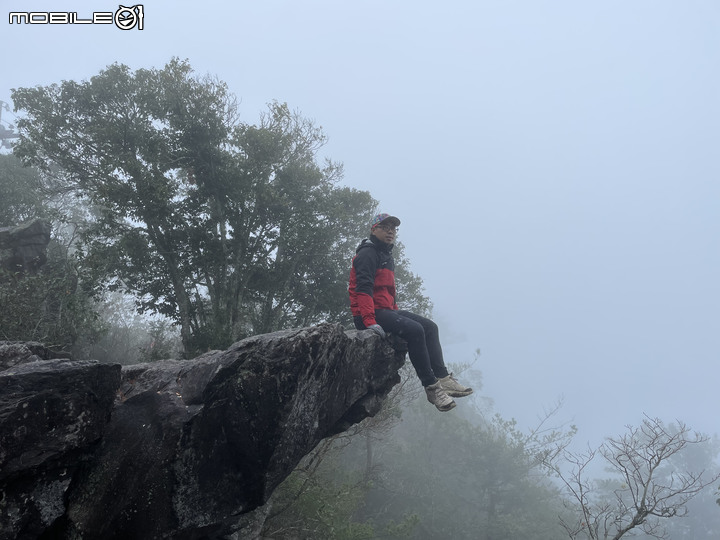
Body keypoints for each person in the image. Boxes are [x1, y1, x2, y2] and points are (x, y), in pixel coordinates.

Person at [348, 213, 473, 412]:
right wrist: (369, 320)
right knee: (415, 330)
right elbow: (362, 290)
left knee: (430, 327)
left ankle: (443, 378)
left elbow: (389, 290)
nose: (390, 231)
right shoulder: (367, 254)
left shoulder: (386, 255)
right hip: (368, 313)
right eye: (385, 227)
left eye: (393, 228)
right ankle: (432, 388)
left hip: (385, 310)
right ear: (374, 230)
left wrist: (395, 314)